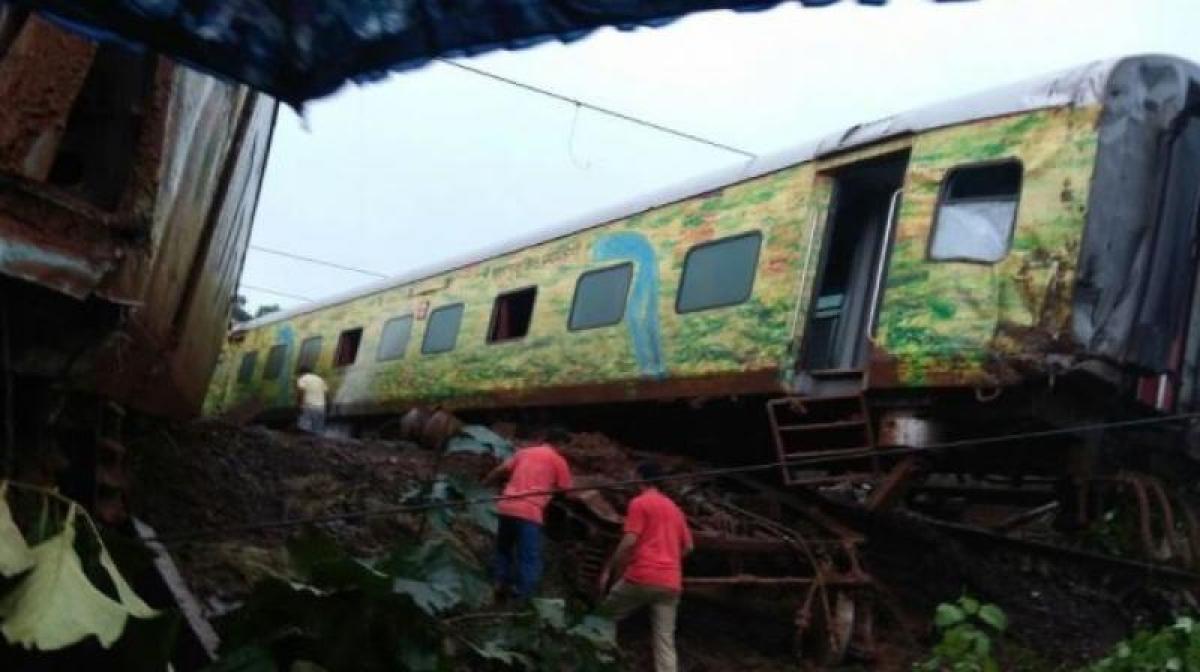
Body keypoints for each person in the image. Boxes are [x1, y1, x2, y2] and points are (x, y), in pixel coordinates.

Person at [597, 461, 693, 672]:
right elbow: (689, 546)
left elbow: (629, 541)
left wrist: (614, 567)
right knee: (665, 640)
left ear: (640, 478)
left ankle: (601, 663)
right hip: (671, 584)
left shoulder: (639, 503)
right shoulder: (675, 509)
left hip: (641, 576)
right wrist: (669, 562)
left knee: (604, 618)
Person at [482, 427, 573, 601]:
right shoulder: (558, 460)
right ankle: (523, 597)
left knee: (503, 549)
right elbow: (567, 491)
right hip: (530, 512)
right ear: (560, 444)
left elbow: (500, 470)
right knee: (529, 556)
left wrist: (483, 484)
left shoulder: (524, 452)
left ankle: (498, 584)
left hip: (506, 507)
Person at [294, 365, 329, 435]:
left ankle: (305, 444)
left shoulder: (303, 378)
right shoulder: (320, 379)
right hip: (321, 407)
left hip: (308, 406)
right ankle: (317, 444)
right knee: (318, 430)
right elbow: (326, 394)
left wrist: (298, 405)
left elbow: (301, 392)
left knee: (304, 429)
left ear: (302, 373)